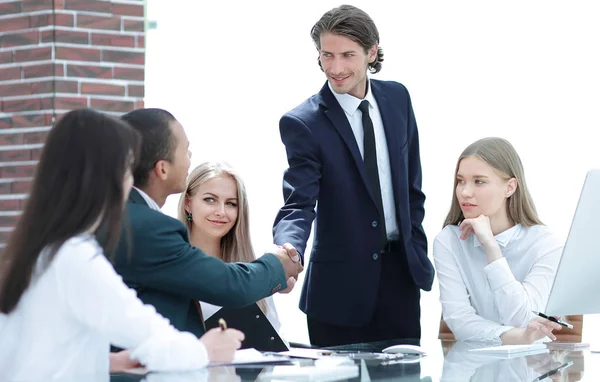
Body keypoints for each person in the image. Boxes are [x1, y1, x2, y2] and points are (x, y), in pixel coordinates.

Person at [0, 109, 244, 381]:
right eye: (128, 167)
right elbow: (148, 332)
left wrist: (106, 361)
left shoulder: (38, 250)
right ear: (107, 176)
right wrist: (204, 350)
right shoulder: (76, 258)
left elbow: (38, 350)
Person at [272, 4, 434, 347]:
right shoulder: (303, 123)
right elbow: (299, 202)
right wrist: (290, 249)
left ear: (371, 52)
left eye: (347, 55)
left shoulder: (398, 98)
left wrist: (415, 246)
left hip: (401, 281)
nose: (336, 68)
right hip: (338, 293)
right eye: (326, 55)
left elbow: (412, 186)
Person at [110, 108, 302, 341]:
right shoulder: (150, 228)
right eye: (185, 149)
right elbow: (231, 285)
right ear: (162, 168)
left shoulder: (119, 215)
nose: (190, 155)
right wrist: (279, 265)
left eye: (231, 203)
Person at [433, 137, 563, 344]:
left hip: (531, 369)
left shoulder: (546, 244)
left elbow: (523, 318)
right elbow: (459, 321)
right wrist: (518, 336)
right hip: (473, 368)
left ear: (510, 187)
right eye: (460, 181)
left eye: (479, 181)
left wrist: (491, 248)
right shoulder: (449, 241)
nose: (465, 192)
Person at [178, 162, 282, 332]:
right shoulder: (171, 266)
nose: (221, 212)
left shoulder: (254, 270)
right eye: (210, 200)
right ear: (188, 203)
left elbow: (274, 334)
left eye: (231, 203)